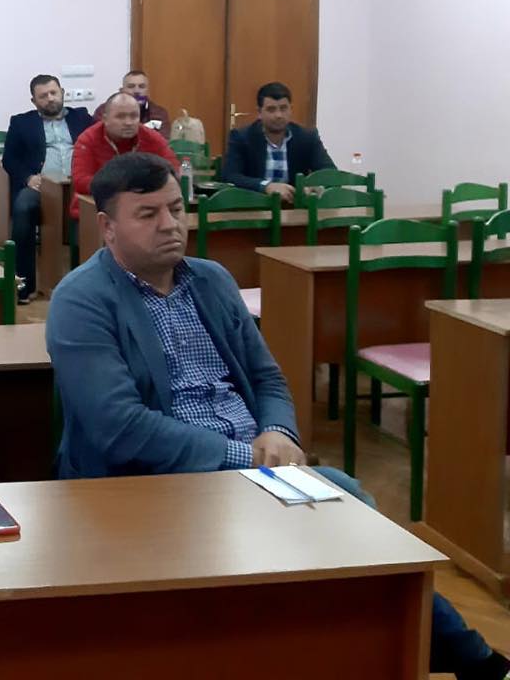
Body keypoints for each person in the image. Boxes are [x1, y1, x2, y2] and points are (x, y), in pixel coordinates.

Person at [48, 153, 509, 680]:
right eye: (147, 214)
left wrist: (279, 431)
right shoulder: (81, 299)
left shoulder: (212, 280)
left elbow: (267, 377)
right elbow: (119, 428)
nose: (170, 224)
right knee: (346, 503)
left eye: (176, 208)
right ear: (107, 226)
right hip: (148, 479)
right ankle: (470, 659)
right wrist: (249, 456)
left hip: (252, 467)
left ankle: (435, 652)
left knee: (348, 521)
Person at [3, 74, 93, 303]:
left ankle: (86, 286)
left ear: (62, 92)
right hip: (41, 188)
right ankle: (24, 283)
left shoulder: (82, 117)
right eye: (43, 96)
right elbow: (10, 159)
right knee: (23, 207)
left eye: (54, 93)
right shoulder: (21, 122)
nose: (50, 98)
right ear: (34, 101)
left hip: (78, 186)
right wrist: (28, 178)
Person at [222, 81, 336, 203]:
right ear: (259, 112)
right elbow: (230, 176)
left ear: (291, 109)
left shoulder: (307, 137)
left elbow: (330, 173)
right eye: (271, 110)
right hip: (254, 206)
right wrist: (266, 186)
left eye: (283, 108)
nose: (278, 115)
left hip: (294, 207)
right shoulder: (241, 137)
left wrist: (313, 187)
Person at [69, 91, 176, 219]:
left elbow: (173, 170)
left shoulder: (151, 138)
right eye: (121, 117)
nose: (128, 122)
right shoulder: (88, 139)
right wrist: (128, 186)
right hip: (95, 211)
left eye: (134, 116)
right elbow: (80, 181)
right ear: (105, 119)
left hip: (144, 209)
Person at [94, 70, 171, 137]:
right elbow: (100, 138)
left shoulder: (159, 113)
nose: (136, 91)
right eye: (131, 86)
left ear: (147, 91)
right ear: (122, 90)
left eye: (141, 86)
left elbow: (163, 141)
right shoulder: (104, 110)